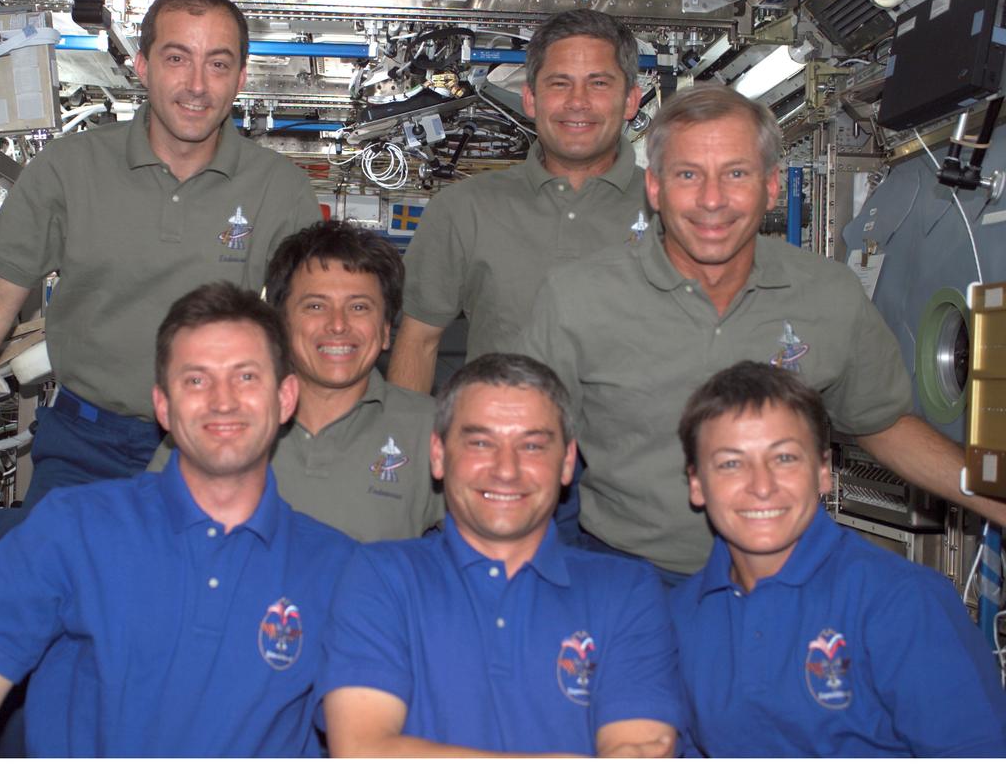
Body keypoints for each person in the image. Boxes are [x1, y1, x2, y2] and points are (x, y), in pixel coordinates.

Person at [0, 0, 323, 525]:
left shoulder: (280, 190)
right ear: (142, 66)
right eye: (177, 58)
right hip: (86, 446)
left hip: (215, 444)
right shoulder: (70, 168)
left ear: (241, 80)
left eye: (218, 64)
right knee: (57, 601)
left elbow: (311, 335)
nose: (197, 86)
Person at [520, 84, 1006, 580]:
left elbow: (882, 423)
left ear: (771, 186)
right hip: (626, 578)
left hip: (783, 579)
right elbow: (523, 444)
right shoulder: (576, 298)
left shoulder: (828, 295)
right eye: (689, 175)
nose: (713, 200)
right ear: (655, 189)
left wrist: (993, 499)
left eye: (736, 173)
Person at [0, 283, 356, 757]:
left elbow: (368, 740)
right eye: (196, 379)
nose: (223, 401)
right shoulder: (73, 528)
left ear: (286, 397)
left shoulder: (339, 570)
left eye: (247, 377)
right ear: (163, 406)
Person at [318, 353, 683, 757]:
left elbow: (638, 754)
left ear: (566, 462)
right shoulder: (382, 577)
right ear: (438, 455)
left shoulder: (626, 591)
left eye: (531, 445)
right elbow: (363, 753)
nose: (506, 469)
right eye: (480, 442)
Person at [670, 361, 1006, 757]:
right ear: (696, 484)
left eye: (784, 459)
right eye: (730, 463)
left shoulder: (905, 604)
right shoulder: (679, 615)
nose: (761, 486)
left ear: (824, 472)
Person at [387, 9, 648, 395]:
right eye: (560, 83)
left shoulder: (678, 211)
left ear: (631, 101)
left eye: (598, 83)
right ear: (530, 99)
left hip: (639, 453)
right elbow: (418, 341)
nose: (578, 102)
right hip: (501, 448)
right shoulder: (464, 209)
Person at [151, 220, 443, 541]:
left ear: (386, 330)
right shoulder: (218, 420)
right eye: (315, 306)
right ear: (280, 324)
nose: (337, 325)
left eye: (359, 307)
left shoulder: (432, 429)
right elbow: (152, 544)